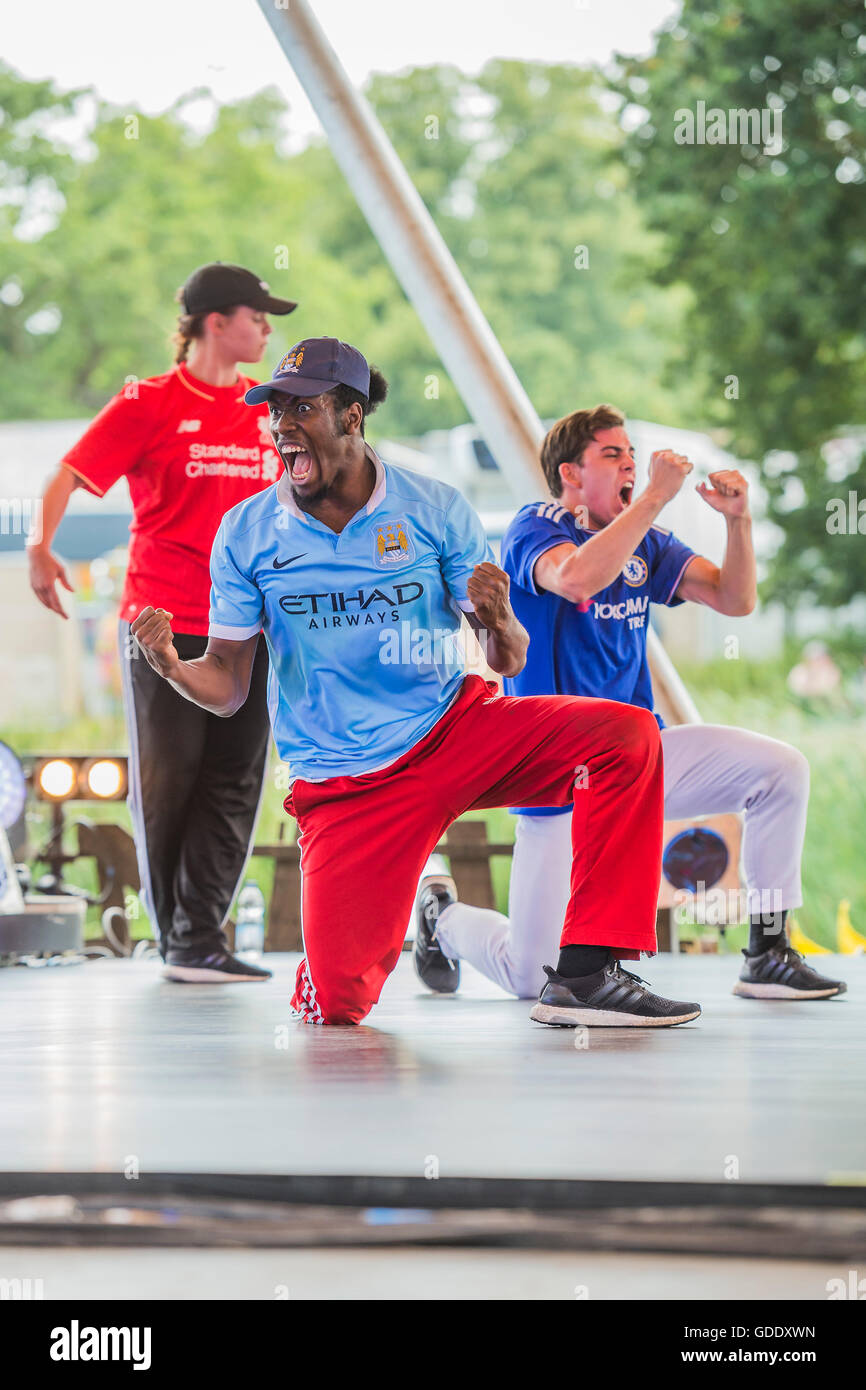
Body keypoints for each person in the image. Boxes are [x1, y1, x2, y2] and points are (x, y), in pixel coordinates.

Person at [131, 340, 702, 1028]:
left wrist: (496, 621)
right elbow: (225, 686)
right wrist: (171, 666)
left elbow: (509, 659)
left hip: (452, 732)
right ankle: (437, 915)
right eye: (275, 410)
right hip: (348, 783)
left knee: (627, 735)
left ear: (350, 416)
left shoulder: (433, 508)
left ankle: (586, 971)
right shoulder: (246, 532)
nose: (282, 425)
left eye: (301, 408)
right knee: (335, 1007)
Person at [422, 404, 847, 1006]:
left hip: (635, 762)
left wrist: (738, 520)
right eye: (612, 454)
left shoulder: (645, 541)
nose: (631, 464)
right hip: (558, 774)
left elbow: (734, 598)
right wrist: (652, 498)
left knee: (781, 770)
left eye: (632, 454)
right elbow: (575, 580)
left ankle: (767, 952)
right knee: (530, 977)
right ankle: (442, 916)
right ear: (570, 473)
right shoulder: (536, 526)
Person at [29, 262, 298, 983]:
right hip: (164, 621)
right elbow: (67, 473)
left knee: (237, 778)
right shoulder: (149, 401)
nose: (267, 329)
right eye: (256, 316)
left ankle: (200, 934)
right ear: (217, 322)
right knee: (169, 776)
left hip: (248, 628)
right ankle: (181, 938)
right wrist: (38, 548)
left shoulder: (265, 409)